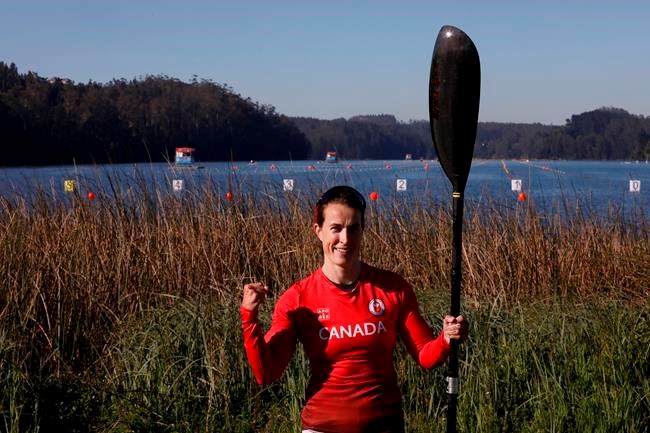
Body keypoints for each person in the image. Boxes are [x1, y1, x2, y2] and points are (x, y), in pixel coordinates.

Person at [241, 185, 468, 433]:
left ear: (363, 231)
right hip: (322, 427)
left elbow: (425, 355)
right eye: (336, 229)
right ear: (318, 231)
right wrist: (249, 316)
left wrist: (446, 339)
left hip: (385, 424)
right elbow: (266, 373)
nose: (345, 239)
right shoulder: (297, 298)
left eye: (353, 229)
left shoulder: (392, 288)